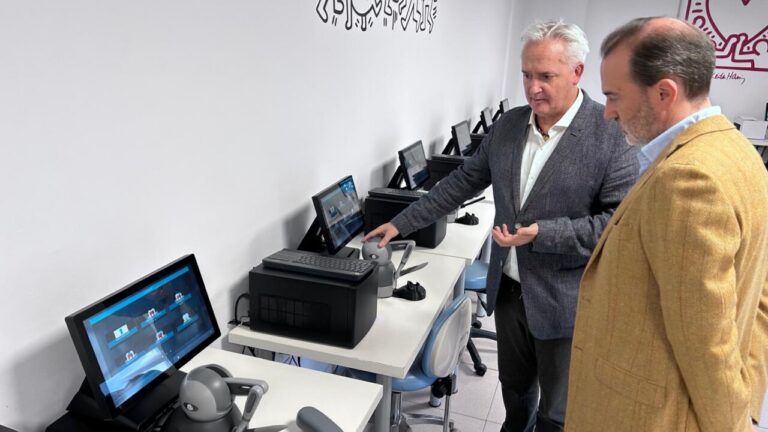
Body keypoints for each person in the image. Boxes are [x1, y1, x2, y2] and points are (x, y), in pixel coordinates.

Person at [365, 20, 638, 432]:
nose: (533, 88)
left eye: (546, 76)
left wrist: (545, 233)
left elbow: (616, 228)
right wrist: (400, 223)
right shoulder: (510, 125)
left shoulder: (610, 135)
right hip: (510, 293)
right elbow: (460, 183)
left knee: (558, 411)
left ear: (577, 73)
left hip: (567, 300)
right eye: (527, 75)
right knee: (515, 391)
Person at [564, 17, 768, 432]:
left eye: (615, 96)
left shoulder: (688, 180)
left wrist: (733, 423)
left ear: (664, 92)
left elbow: (708, 343)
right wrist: (749, 397)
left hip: (648, 416)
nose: (608, 113)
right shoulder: (739, 152)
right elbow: (760, 297)